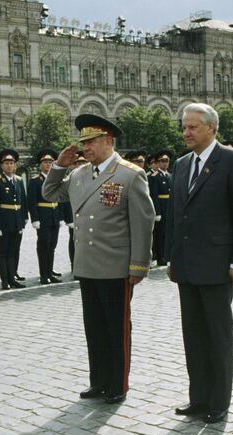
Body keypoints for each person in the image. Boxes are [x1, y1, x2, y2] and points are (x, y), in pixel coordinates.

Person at [43, 114, 155, 404]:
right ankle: (99, 381)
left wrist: (139, 265)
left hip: (116, 266)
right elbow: (50, 192)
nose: (85, 148)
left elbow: (142, 223)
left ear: (108, 141)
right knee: (94, 328)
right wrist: (59, 165)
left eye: (90, 142)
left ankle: (118, 384)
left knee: (116, 330)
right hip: (88, 266)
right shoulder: (79, 174)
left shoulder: (129, 174)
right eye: (82, 143)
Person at [165, 103, 233, 424]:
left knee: (218, 336)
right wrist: (171, 258)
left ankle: (218, 402)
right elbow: (176, 217)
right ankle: (198, 398)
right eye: (184, 126)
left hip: (219, 266)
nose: (186, 133)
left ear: (211, 128)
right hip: (187, 266)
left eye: (192, 127)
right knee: (193, 335)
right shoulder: (180, 165)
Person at [0, 149, 27, 290]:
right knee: (3, 252)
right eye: (6, 163)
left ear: (15, 165)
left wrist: (23, 220)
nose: (9, 166)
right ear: (2, 166)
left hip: (16, 222)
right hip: (4, 223)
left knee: (13, 251)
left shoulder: (18, 180)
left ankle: (12, 278)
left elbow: (23, 201)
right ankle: (5, 280)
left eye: (12, 163)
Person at [27, 149, 62, 284]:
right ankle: (43, 275)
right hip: (42, 217)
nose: (48, 165)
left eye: (50, 162)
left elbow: (60, 198)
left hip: (54, 215)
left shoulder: (56, 180)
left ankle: (50, 272)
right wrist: (35, 219)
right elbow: (31, 201)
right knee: (43, 245)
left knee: (52, 245)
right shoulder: (35, 181)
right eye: (45, 162)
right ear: (40, 165)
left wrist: (62, 217)